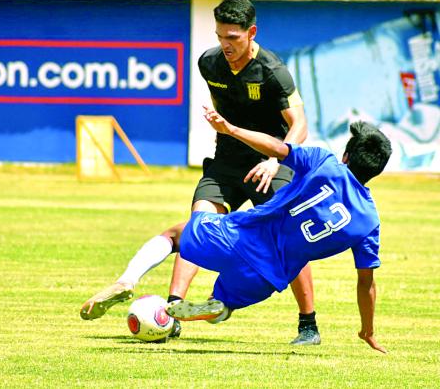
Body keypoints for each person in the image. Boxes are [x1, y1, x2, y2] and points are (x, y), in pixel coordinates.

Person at [80, 114, 392, 353]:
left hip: (239, 238)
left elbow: (277, 147)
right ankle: (220, 306)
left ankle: (128, 280)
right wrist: (368, 329)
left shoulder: (325, 163)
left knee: (176, 235)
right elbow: (366, 283)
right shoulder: (369, 221)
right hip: (269, 279)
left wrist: (232, 130)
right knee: (224, 302)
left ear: (346, 156)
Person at [170, 0, 316, 344]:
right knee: (199, 224)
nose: (226, 45)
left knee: (288, 234)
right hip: (228, 160)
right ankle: (172, 310)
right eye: (220, 36)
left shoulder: (273, 71)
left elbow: (300, 125)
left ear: (251, 32)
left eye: (233, 38)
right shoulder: (209, 63)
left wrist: (275, 159)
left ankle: (308, 323)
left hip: (271, 161)